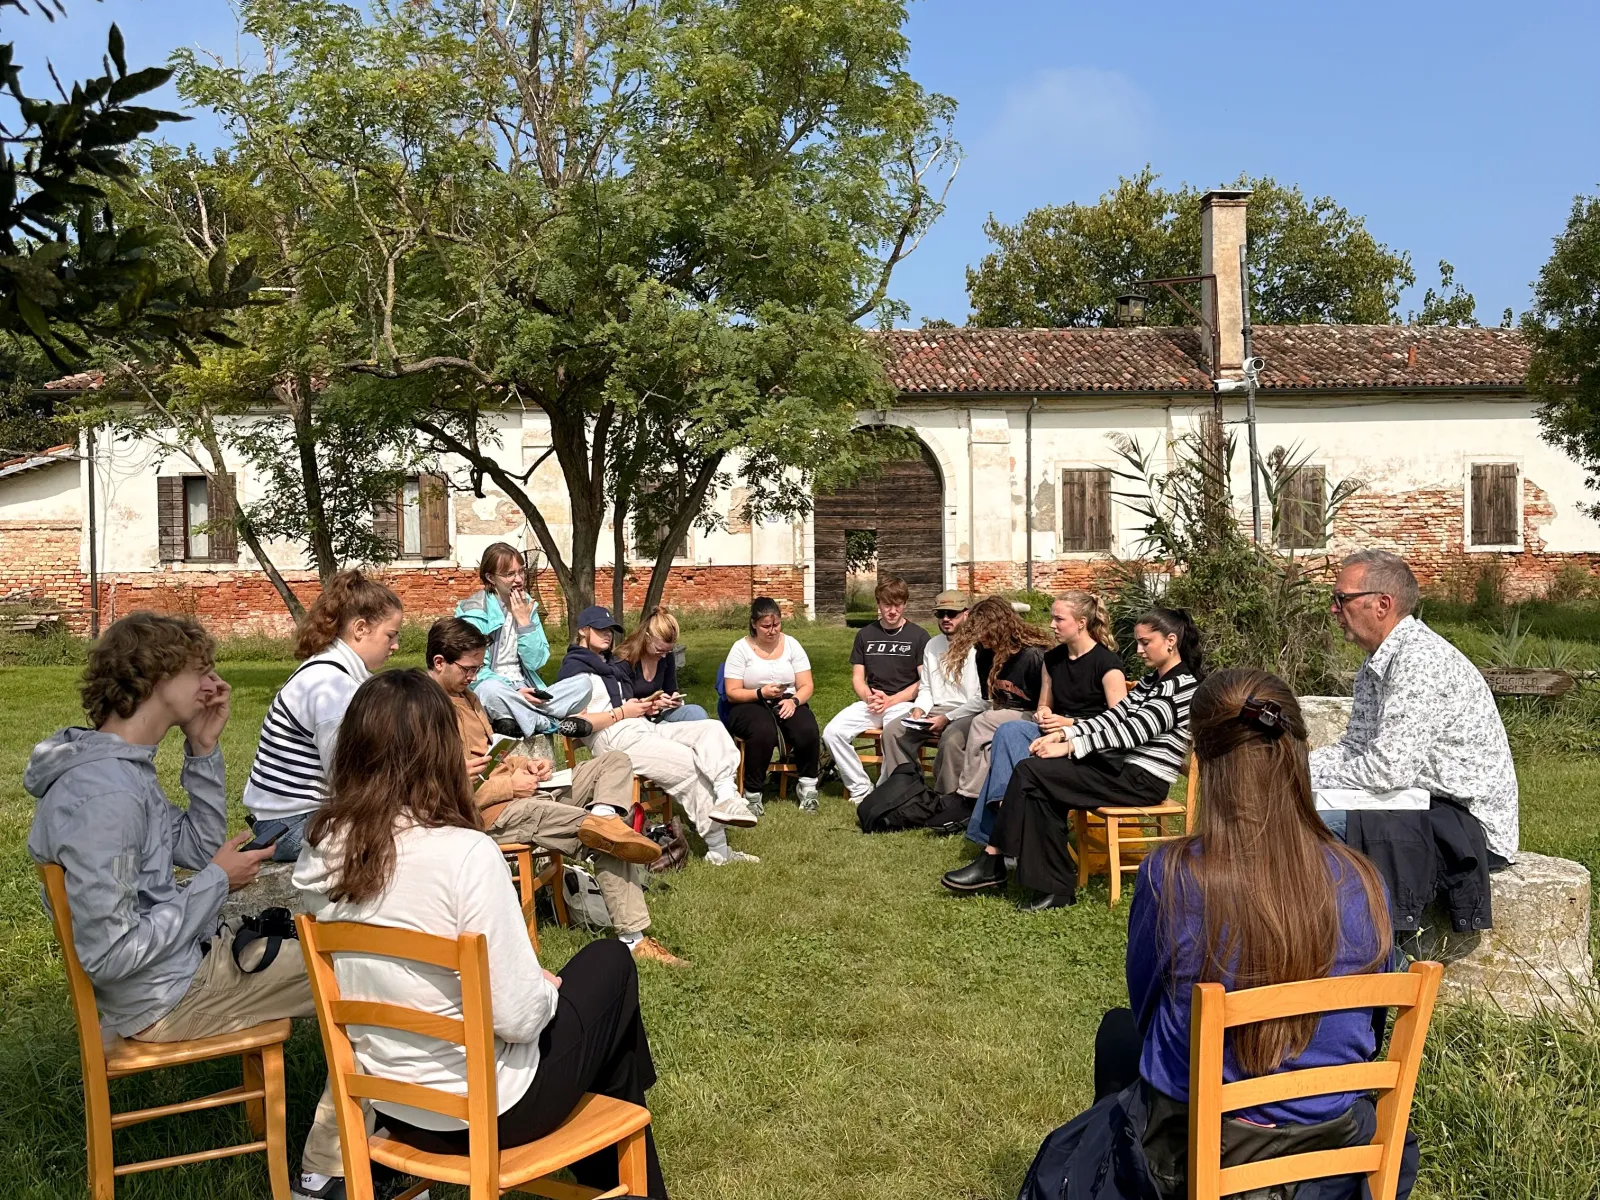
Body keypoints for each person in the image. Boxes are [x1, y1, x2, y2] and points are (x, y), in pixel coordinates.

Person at [1021, 670, 1407, 1200]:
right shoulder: (1364, 879)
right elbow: (1372, 1020)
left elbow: (1148, 1006)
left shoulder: (1173, 875)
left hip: (1198, 1147)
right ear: (1300, 751)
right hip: (1334, 1154)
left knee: (1119, 1037)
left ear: (1199, 758)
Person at [294, 670, 668, 1199]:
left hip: (394, 1107)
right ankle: (631, 1178)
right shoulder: (463, 853)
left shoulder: (323, 850)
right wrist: (541, 986)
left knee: (601, 1024)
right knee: (610, 964)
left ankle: (629, 1170)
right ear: (440, 753)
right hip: (488, 1110)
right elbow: (520, 1019)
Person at [25, 612, 349, 1200]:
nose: (213, 684)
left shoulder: (116, 772)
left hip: (182, 971)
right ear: (155, 677)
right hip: (165, 1001)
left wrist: (202, 749)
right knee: (370, 974)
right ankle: (330, 1170)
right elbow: (110, 952)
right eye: (200, 670)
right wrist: (214, 886)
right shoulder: (105, 796)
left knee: (352, 950)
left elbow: (198, 847)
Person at [425, 619, 684, 966]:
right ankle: (633, 939)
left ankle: (607, 817)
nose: (474, 677)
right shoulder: (422, 710)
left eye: (477, 668)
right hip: (486, 815)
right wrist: (507, 786)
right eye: (468, 669)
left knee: (614, 763)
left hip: (522, 794)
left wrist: (522, 766)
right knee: (601, 836)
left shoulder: (467, 697)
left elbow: (491, 757)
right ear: (440, 662)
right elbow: (435, 796)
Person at [1309, 549, 1517, 937]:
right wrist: (1293, 772)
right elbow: (1355, 749)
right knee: (1293, 810)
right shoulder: (1376, 665)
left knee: (1308, 827)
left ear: (1382, 604)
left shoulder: (1419, 661)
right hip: (1417, 801)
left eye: (1341, 599)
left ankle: (1382, 962)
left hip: (1466, 824)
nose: (1334, 609)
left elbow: (1388, 769)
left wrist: (1305, 780)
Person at [945, 607, 1202, 910]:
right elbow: (1113, 718)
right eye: (1138, 642)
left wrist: (1069, 747)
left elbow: (1131, 733)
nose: (1139, 649)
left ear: (1171, 641)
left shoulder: (1181, 686)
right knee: (1037, 779)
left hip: (1142, 780)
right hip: (1122, 769)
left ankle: (996, 860)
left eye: (1146, 642)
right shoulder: (1151, 681)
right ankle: (1051, 886)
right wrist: (1065, 734)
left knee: (1031, 772)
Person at [558, 605, 760, 865]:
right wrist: (623, 712)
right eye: (600, 629)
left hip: (640, 727)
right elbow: (572, 724)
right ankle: (719, 851)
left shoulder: (607, 664)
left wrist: (645, 707)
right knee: (690, 763)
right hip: (614, 740)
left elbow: (627, 705)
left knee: (710, 729)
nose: (607, 635)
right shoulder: (573, 669)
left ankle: (726, 796)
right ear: (583, 631)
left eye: (610, 630)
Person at [242, 570, 404, 862]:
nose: (396, 646)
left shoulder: (330, 671)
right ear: (360, 629)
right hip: (292, 825)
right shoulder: (333, 687)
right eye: (390, 636)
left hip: (290, 819)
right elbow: (348, 779)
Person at [966, 592, 1127, 848]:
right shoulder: (1052, 659)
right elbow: (1043, 704)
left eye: (1059, 619)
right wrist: (1044, 713)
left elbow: (1120, 724)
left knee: (1013, 742)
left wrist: (1068, 724)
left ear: (1081, 622)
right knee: (1009, 730)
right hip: (1052, 732)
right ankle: (1003, 806)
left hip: (1087, 742)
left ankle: (999, 832)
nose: (1052, 625)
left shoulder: (1108, 665)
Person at [455, 543, 595, 738]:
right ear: (490, 577)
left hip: (527, 687)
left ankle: (516, 718)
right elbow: (474, 670)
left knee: (583, 684)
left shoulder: (527, 605)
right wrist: (515, 691)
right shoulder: (475, 612)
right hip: (494, 685)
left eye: (521, 571)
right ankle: (549, 723)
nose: (519, 579)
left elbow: (536, 661)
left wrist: (524, 623)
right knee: (490, 691)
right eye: (509, 574)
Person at [930, 595, 1053, 813]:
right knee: (954, 735)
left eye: (985, 631)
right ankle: (945, 796)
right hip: (997, 711)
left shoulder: (1034, 656)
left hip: (1029, 715)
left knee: (983, 723)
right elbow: (991, 699)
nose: (981, 638)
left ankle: (968, 797)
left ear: (1000, 627)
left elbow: (1047, 705)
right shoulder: (984, 653)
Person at [821, 576, 931, 805]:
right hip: (872, 701)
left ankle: (883, 789)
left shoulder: (919, 636)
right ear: (878, 604)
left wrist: (891, 701)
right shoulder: (865, 635)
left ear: (905, 604)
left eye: (897, 605)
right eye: (887, 605)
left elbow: (924, 682)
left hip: (903, 703)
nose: (892, 611)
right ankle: (860, 787)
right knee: (832, 733)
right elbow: (858, 678)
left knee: (893, 733)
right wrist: (869, 697)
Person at [877, 590, 983, 796]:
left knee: (952, 740)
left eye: (951, 614)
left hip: (970, 712)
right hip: (935, 709)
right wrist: (918, 709)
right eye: (940, 613)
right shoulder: (932, 645)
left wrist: (947, 718)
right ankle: (906, 790)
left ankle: (947, 798)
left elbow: (983, 700)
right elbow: (926, 687)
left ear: (966, 614)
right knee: (893, 731)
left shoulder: (979, 647)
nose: (945, 619)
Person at [721, 597, 822, 812]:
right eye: (766, 626)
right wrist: (760, 692)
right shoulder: (741, 648)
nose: (772, 631)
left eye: (776, 625)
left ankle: (808, 786)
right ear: (754, 625)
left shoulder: (792, 644)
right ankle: (753, 793)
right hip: (748, 701)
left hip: (786, 699)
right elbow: (731, 692)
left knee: (807, 728)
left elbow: (806, 685)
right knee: (762, 731)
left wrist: (793, 701)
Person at [616, 608, 708, 723]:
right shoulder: (624, 661)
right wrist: (653, 703)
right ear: (647, 637)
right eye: (659, 650)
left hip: (658, 714)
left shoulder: (667, 656)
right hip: (634, 720)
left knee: (695, 712)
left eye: (668, 651)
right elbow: (625, 705)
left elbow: (671, 690)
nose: (664, 656)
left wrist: (673, 699)